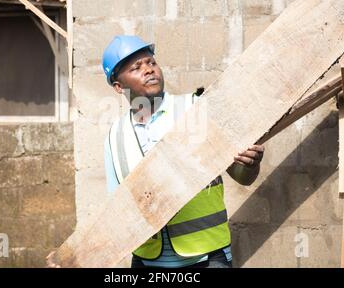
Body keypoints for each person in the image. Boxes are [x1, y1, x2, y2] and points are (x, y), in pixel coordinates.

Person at [102, 35, 265, 268]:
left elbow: (243, 177)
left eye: (151, 63)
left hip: (207, 256)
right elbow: (117, 208)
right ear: (119, 86)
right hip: (147, 261)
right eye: (136, 67)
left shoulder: (196, 109)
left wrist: (251, 163)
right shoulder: (115, 136)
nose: (148, 70)